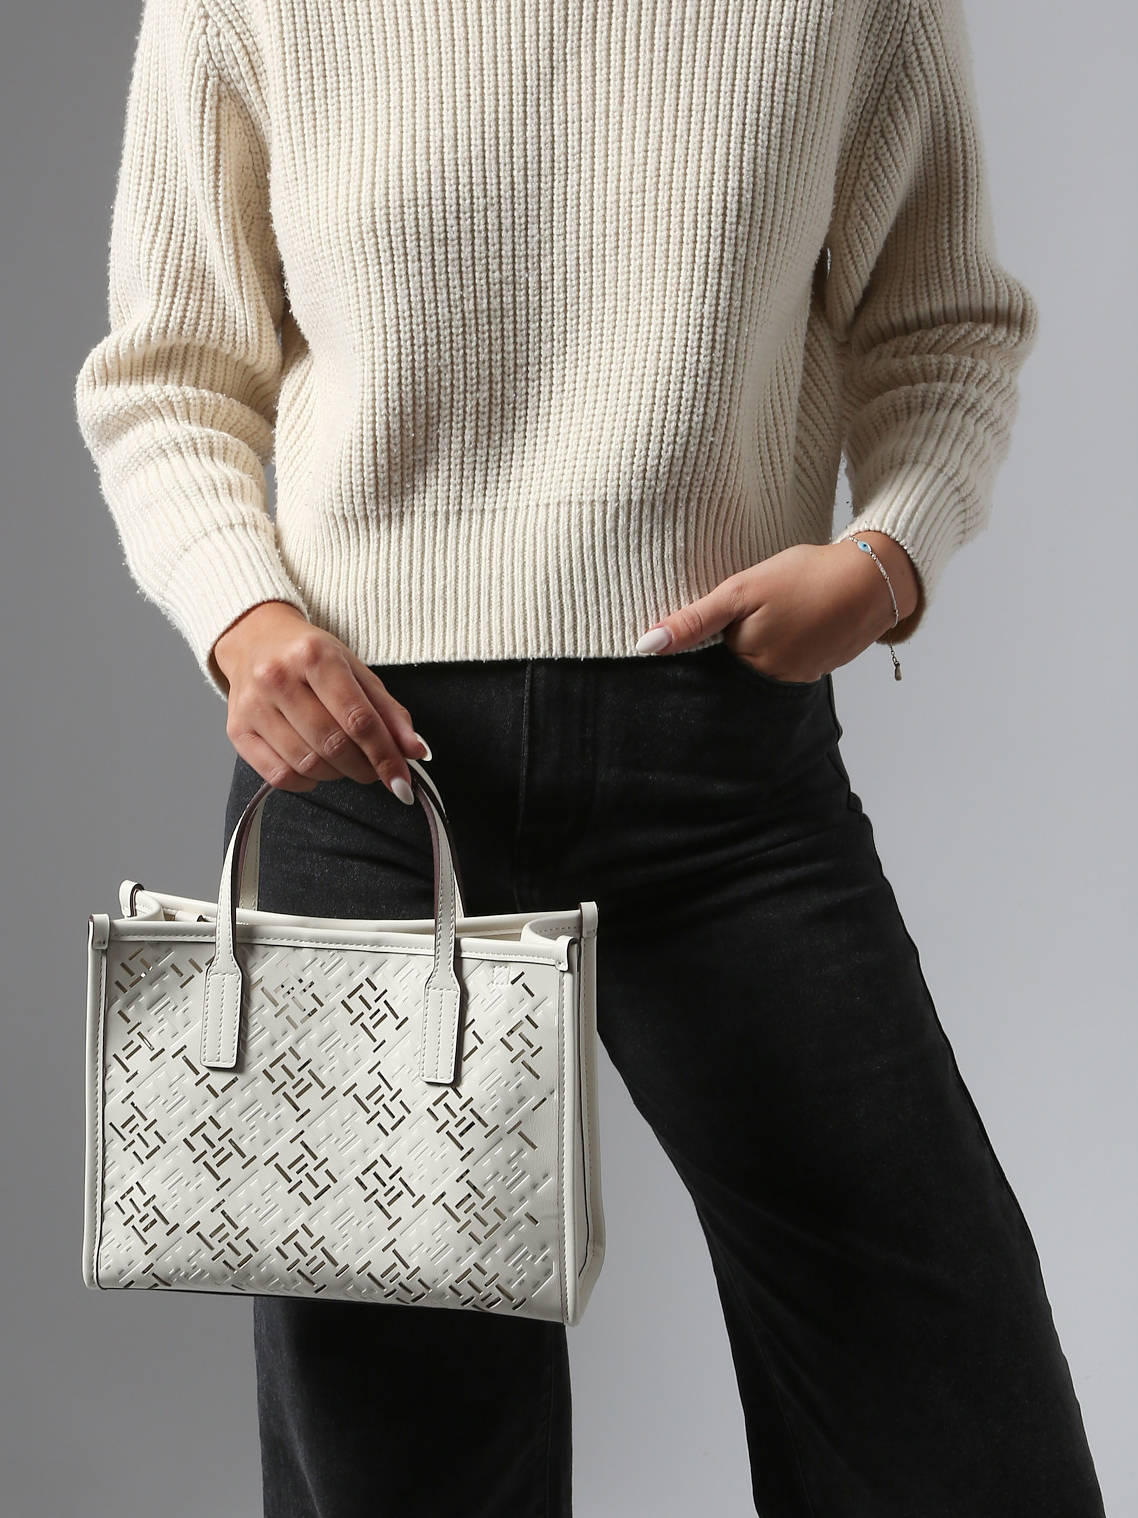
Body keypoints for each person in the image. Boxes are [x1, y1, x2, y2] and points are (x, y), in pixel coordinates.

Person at [74, 1, 1107, 1513]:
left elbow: (944, 321)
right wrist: (244, 616)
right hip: (363, 780)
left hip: (725, 776)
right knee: (402, 1464)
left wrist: (886, 558)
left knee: (950, 1408)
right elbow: (167, 376)